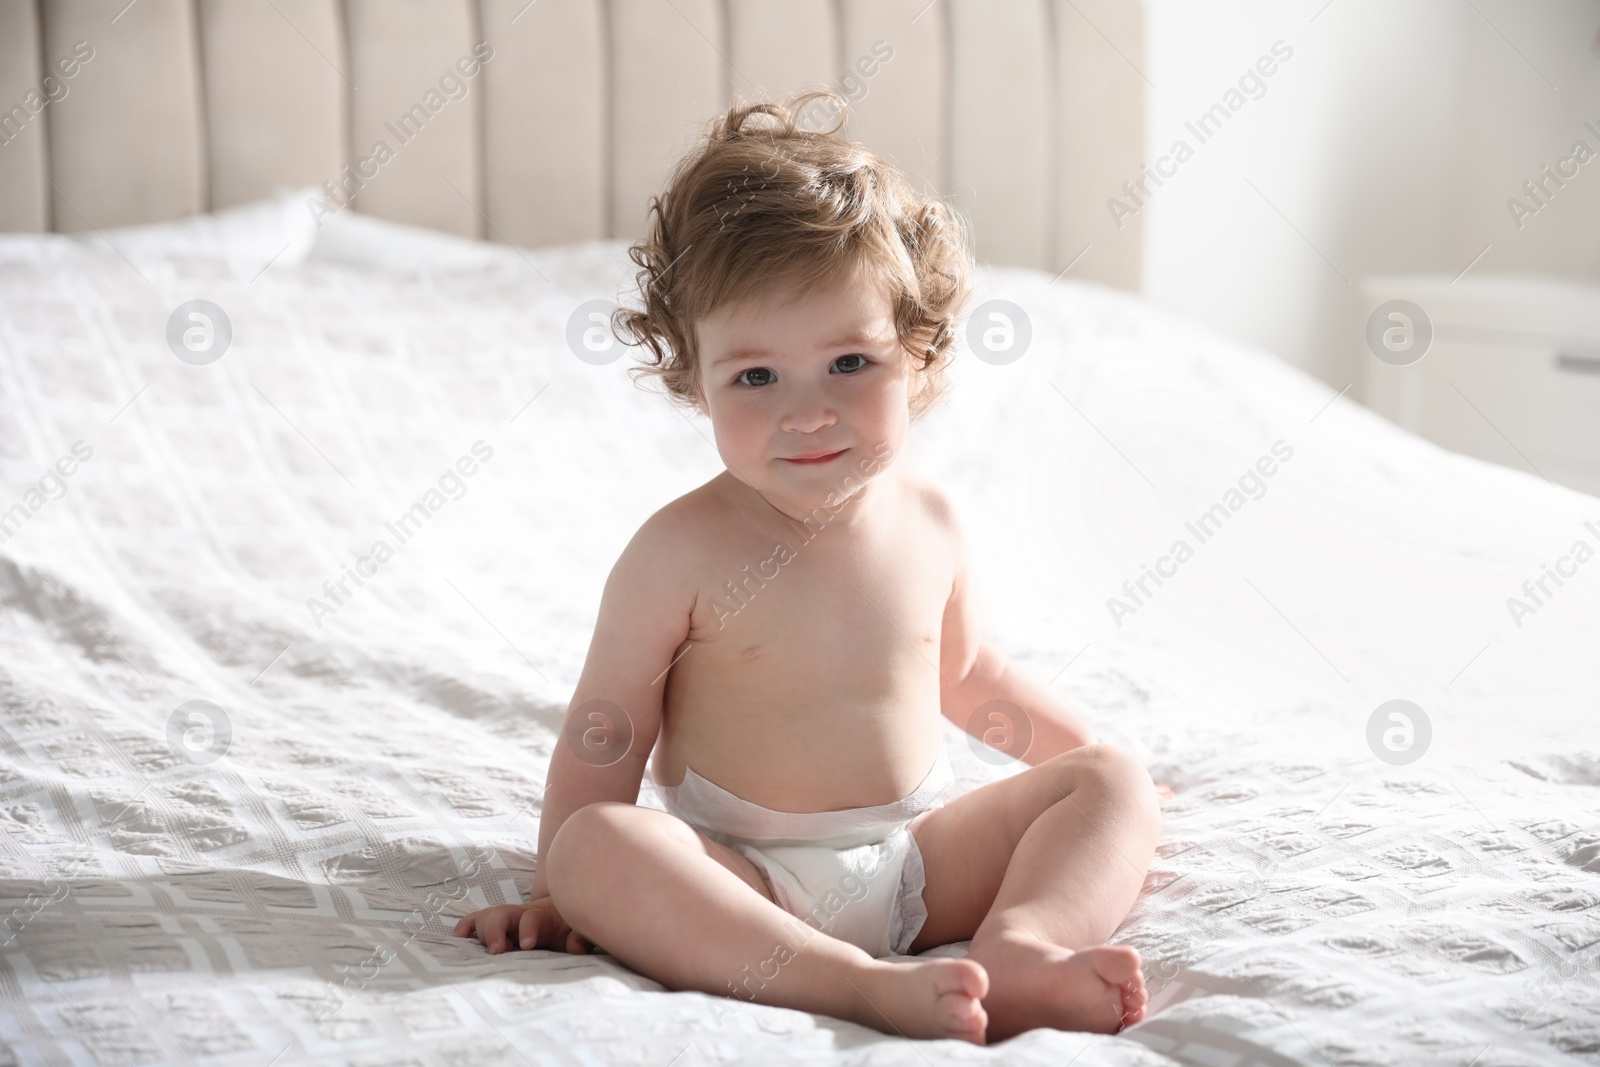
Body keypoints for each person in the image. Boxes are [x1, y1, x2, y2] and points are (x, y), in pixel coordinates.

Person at [454, 88, 1162, 1045]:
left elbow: (967, 676)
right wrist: (551, 887)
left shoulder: (934, 520)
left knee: (1114, 782)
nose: (807, 411)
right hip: (735, 873)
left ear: (917, 353)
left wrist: (1080, 765)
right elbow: (608, 731)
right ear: (691, 381)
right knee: (597, 850)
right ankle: (858, 987)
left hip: (913, 862)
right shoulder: (679, 550)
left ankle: (1018, 948)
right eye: (756, 377)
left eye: (849, 365)